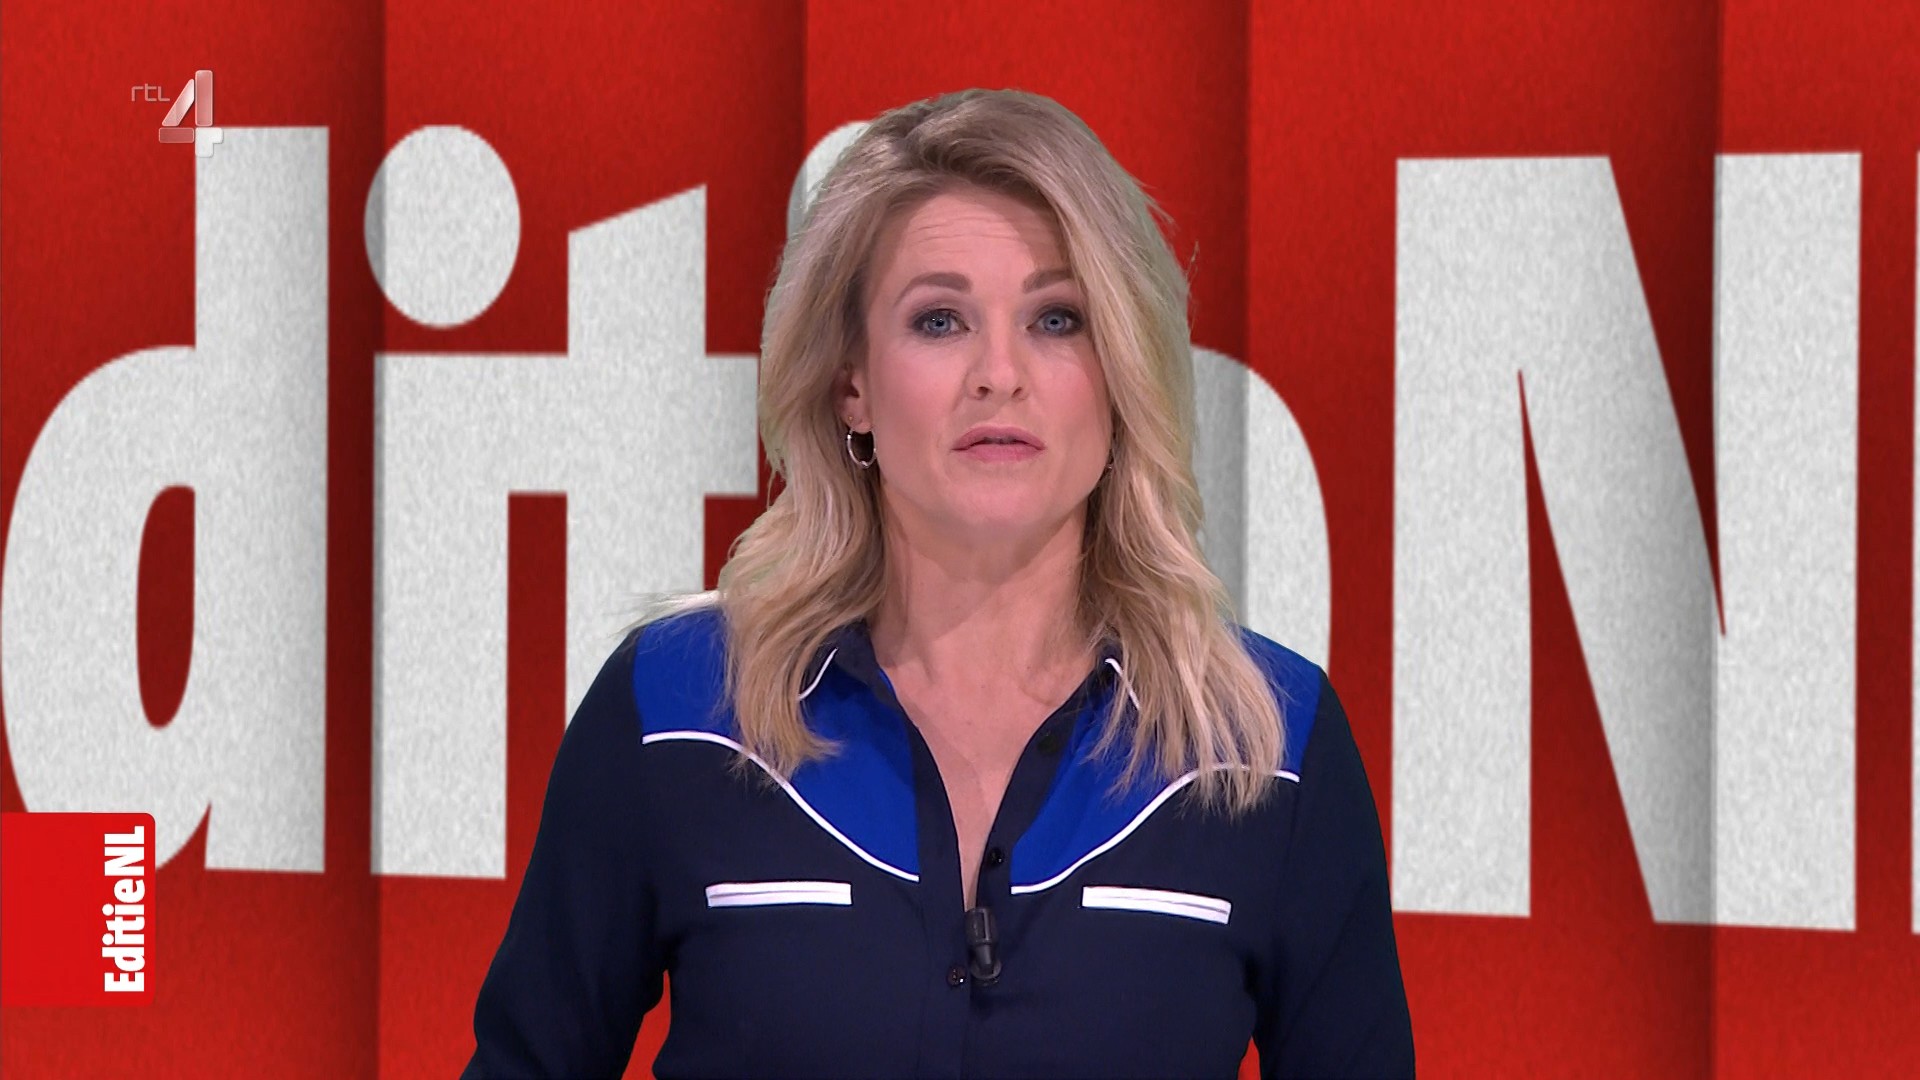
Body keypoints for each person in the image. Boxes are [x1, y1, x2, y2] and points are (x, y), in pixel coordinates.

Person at [462, 87, 1413, 1079]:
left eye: (1057, 318)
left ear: (1121, 375)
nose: (999, 373)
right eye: (941, 320)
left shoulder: (1268, 745)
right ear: (853, 387)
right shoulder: (676, 707)